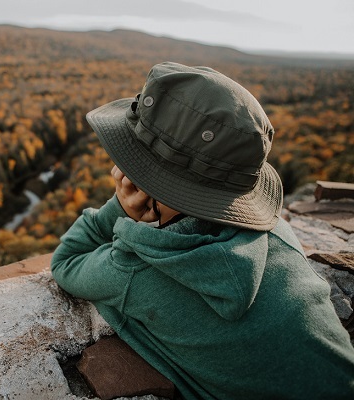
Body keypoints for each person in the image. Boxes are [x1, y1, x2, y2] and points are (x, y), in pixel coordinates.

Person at [50, 62, 354, 399]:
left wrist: (121, 207)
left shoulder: (136, 268)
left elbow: (66, 260)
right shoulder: (278, 235)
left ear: (144, 180)